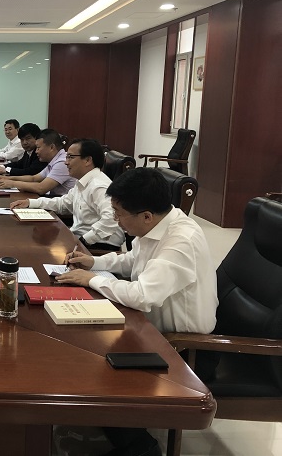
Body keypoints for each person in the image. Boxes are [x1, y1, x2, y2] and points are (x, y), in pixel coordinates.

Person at [57, 167, 218, 456]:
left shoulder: (181, 241)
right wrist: (94, 263)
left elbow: (143, 296)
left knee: (93, 362)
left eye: (119, 213)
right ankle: (106, 427)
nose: (115, 220)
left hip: (183, 349)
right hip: (152, 330)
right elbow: (133, 259)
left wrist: (90, 280)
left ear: (145, 216)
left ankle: (140, 447)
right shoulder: (158, 224)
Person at [10, 138, 124, 250]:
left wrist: (84, 241)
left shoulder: (99, 186)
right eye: (66, 157)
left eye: (70, 157)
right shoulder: (83, 181)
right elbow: (63, 203)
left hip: (99, 244)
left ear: (87, 160)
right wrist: (30, 203)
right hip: (81, 238)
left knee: (36, 247)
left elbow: (112, 219)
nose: (66, 162)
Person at [0, 128, 76, 196]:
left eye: (38, 148)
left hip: (62, 206)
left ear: (51, 147)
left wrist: (12, 183)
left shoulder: (62, 162)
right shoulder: (55, 159)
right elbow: (34, 178)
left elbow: (41, 188)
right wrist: (7, 179)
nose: (36, 151)